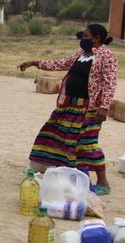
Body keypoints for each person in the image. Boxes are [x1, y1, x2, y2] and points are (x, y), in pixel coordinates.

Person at [18, 24, 117, 194]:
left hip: (89, 108)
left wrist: (104, 107)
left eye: (85, 36)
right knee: (56, 134)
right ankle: (67, 175)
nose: (82, 39)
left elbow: (110, 82)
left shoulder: (107, 56)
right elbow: (61, 63)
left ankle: (103, 183)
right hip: (70, 104)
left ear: (97, 38)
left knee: (87, 143)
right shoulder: (82, 54)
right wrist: (35, 63)